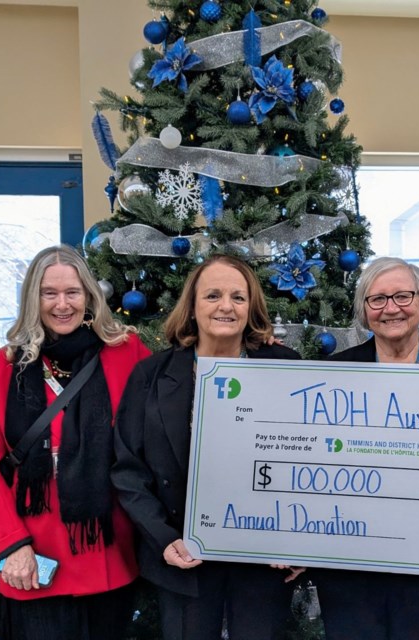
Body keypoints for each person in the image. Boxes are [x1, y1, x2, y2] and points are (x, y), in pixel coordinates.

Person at [112, 254, 301, 640]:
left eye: (238, 297)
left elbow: (311, 458)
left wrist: (302, 542)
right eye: (213, 295)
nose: (226, 307)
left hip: (264, 559)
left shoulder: (285, 366)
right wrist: (164, 539)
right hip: (184, 555)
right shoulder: (151, 375)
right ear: (193, 307)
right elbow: (127, 470)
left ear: (252, 308)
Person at [0, 244, 149, 640]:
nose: (62, 304)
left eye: (73, 292)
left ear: (89, 295)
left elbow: (157, 440)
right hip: (33, 552)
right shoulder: (4, 366)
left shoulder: (127, 353)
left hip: (106, 546)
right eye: (49, 293)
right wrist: (10, 544)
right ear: (33, 298)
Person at [316, 256, 419, 640]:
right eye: (377, 300)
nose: (391, 308)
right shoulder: (334, 370)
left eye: (403, 296)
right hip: (351, 565)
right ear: (364, 311)